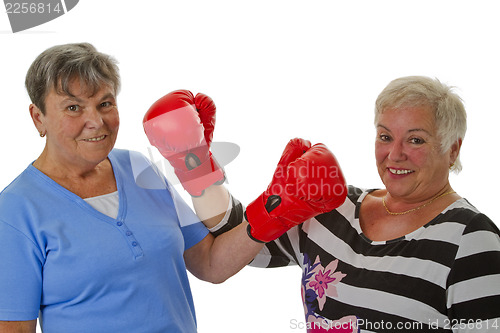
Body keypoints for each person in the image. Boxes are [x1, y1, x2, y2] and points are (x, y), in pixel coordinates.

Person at [189, 76, 500, 332]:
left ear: (452, 150)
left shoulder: (471, 238)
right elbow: (236, 241)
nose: (394, 154)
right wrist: (194, 161)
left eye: (416, 140)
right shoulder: (334, 208)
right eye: (385, 136)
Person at [0, 42, 270, 333]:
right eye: (73, 108)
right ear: (38, 117)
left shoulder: (138, 167)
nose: (96, 121)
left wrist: (276, 209)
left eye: (105, 103)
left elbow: (210, 263)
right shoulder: (15, 210)